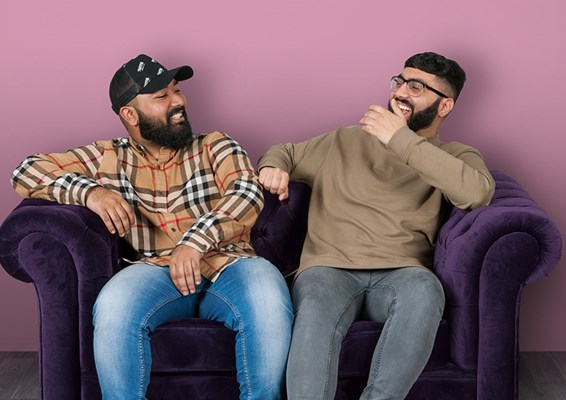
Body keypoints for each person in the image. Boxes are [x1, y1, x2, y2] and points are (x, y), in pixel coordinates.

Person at [10, 54, 293, 400]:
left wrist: (194, 242)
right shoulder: (107, 157)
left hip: (231, 265)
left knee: (269, 299)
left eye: (176, 91)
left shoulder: (215, 144)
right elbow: (25, 170)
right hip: (153, 270)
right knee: (114, 306)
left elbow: (247, 191)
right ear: (129, 114)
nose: (178, 102)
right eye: (162, 97)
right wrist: (90, 192)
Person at [258, 51, 495, 400]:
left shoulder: (455, 155)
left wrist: (399, 139)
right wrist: (273, 167)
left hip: (402, 273)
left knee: (427, 290)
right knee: (316, 308)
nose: (400, 92)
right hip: (329, 268)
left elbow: (477, 193)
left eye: (416, 87)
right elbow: (285, 152)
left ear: (444, 107)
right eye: (399, 81)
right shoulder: (345, 140)